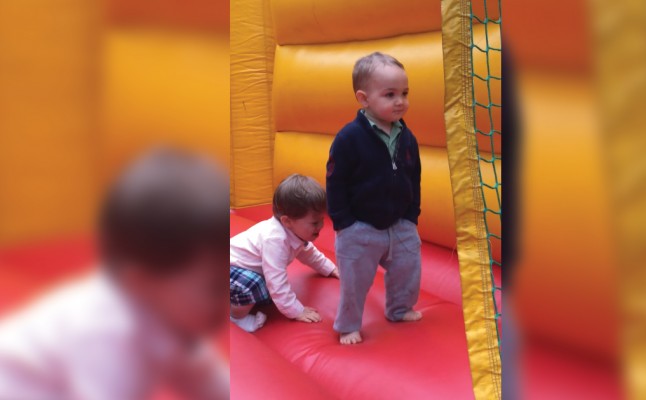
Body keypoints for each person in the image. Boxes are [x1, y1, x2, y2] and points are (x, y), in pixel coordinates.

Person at [0, 148, 230, 400]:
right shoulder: (107, 332)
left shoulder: (172, 315)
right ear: (141, 281)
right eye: (216, 286)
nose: (227, 298)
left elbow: (209, 381)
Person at [326, 52, 422, 345]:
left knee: (408, 268)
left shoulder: (407, 136)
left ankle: (399, 308)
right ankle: (349, 325)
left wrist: (412, 215)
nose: (400, 101)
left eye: (404, 93)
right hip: (360, 227)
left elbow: (414, 176)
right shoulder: (349, 138)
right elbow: (335, 181)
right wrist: (344, 223)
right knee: (355, 281)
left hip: (400, 223)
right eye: (390, 94)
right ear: (364, 99)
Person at [229, 174, 339, 332]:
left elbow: (309, 252)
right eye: (315, 222)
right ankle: (235, 317)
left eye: (322, 219)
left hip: (235, 273)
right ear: (287, 221)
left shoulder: (294, 232)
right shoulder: (275, 240)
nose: (321, 225)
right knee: (254, 284)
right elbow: (276, 281)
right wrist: (296, 311)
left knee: (262, 286)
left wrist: (330, 269)